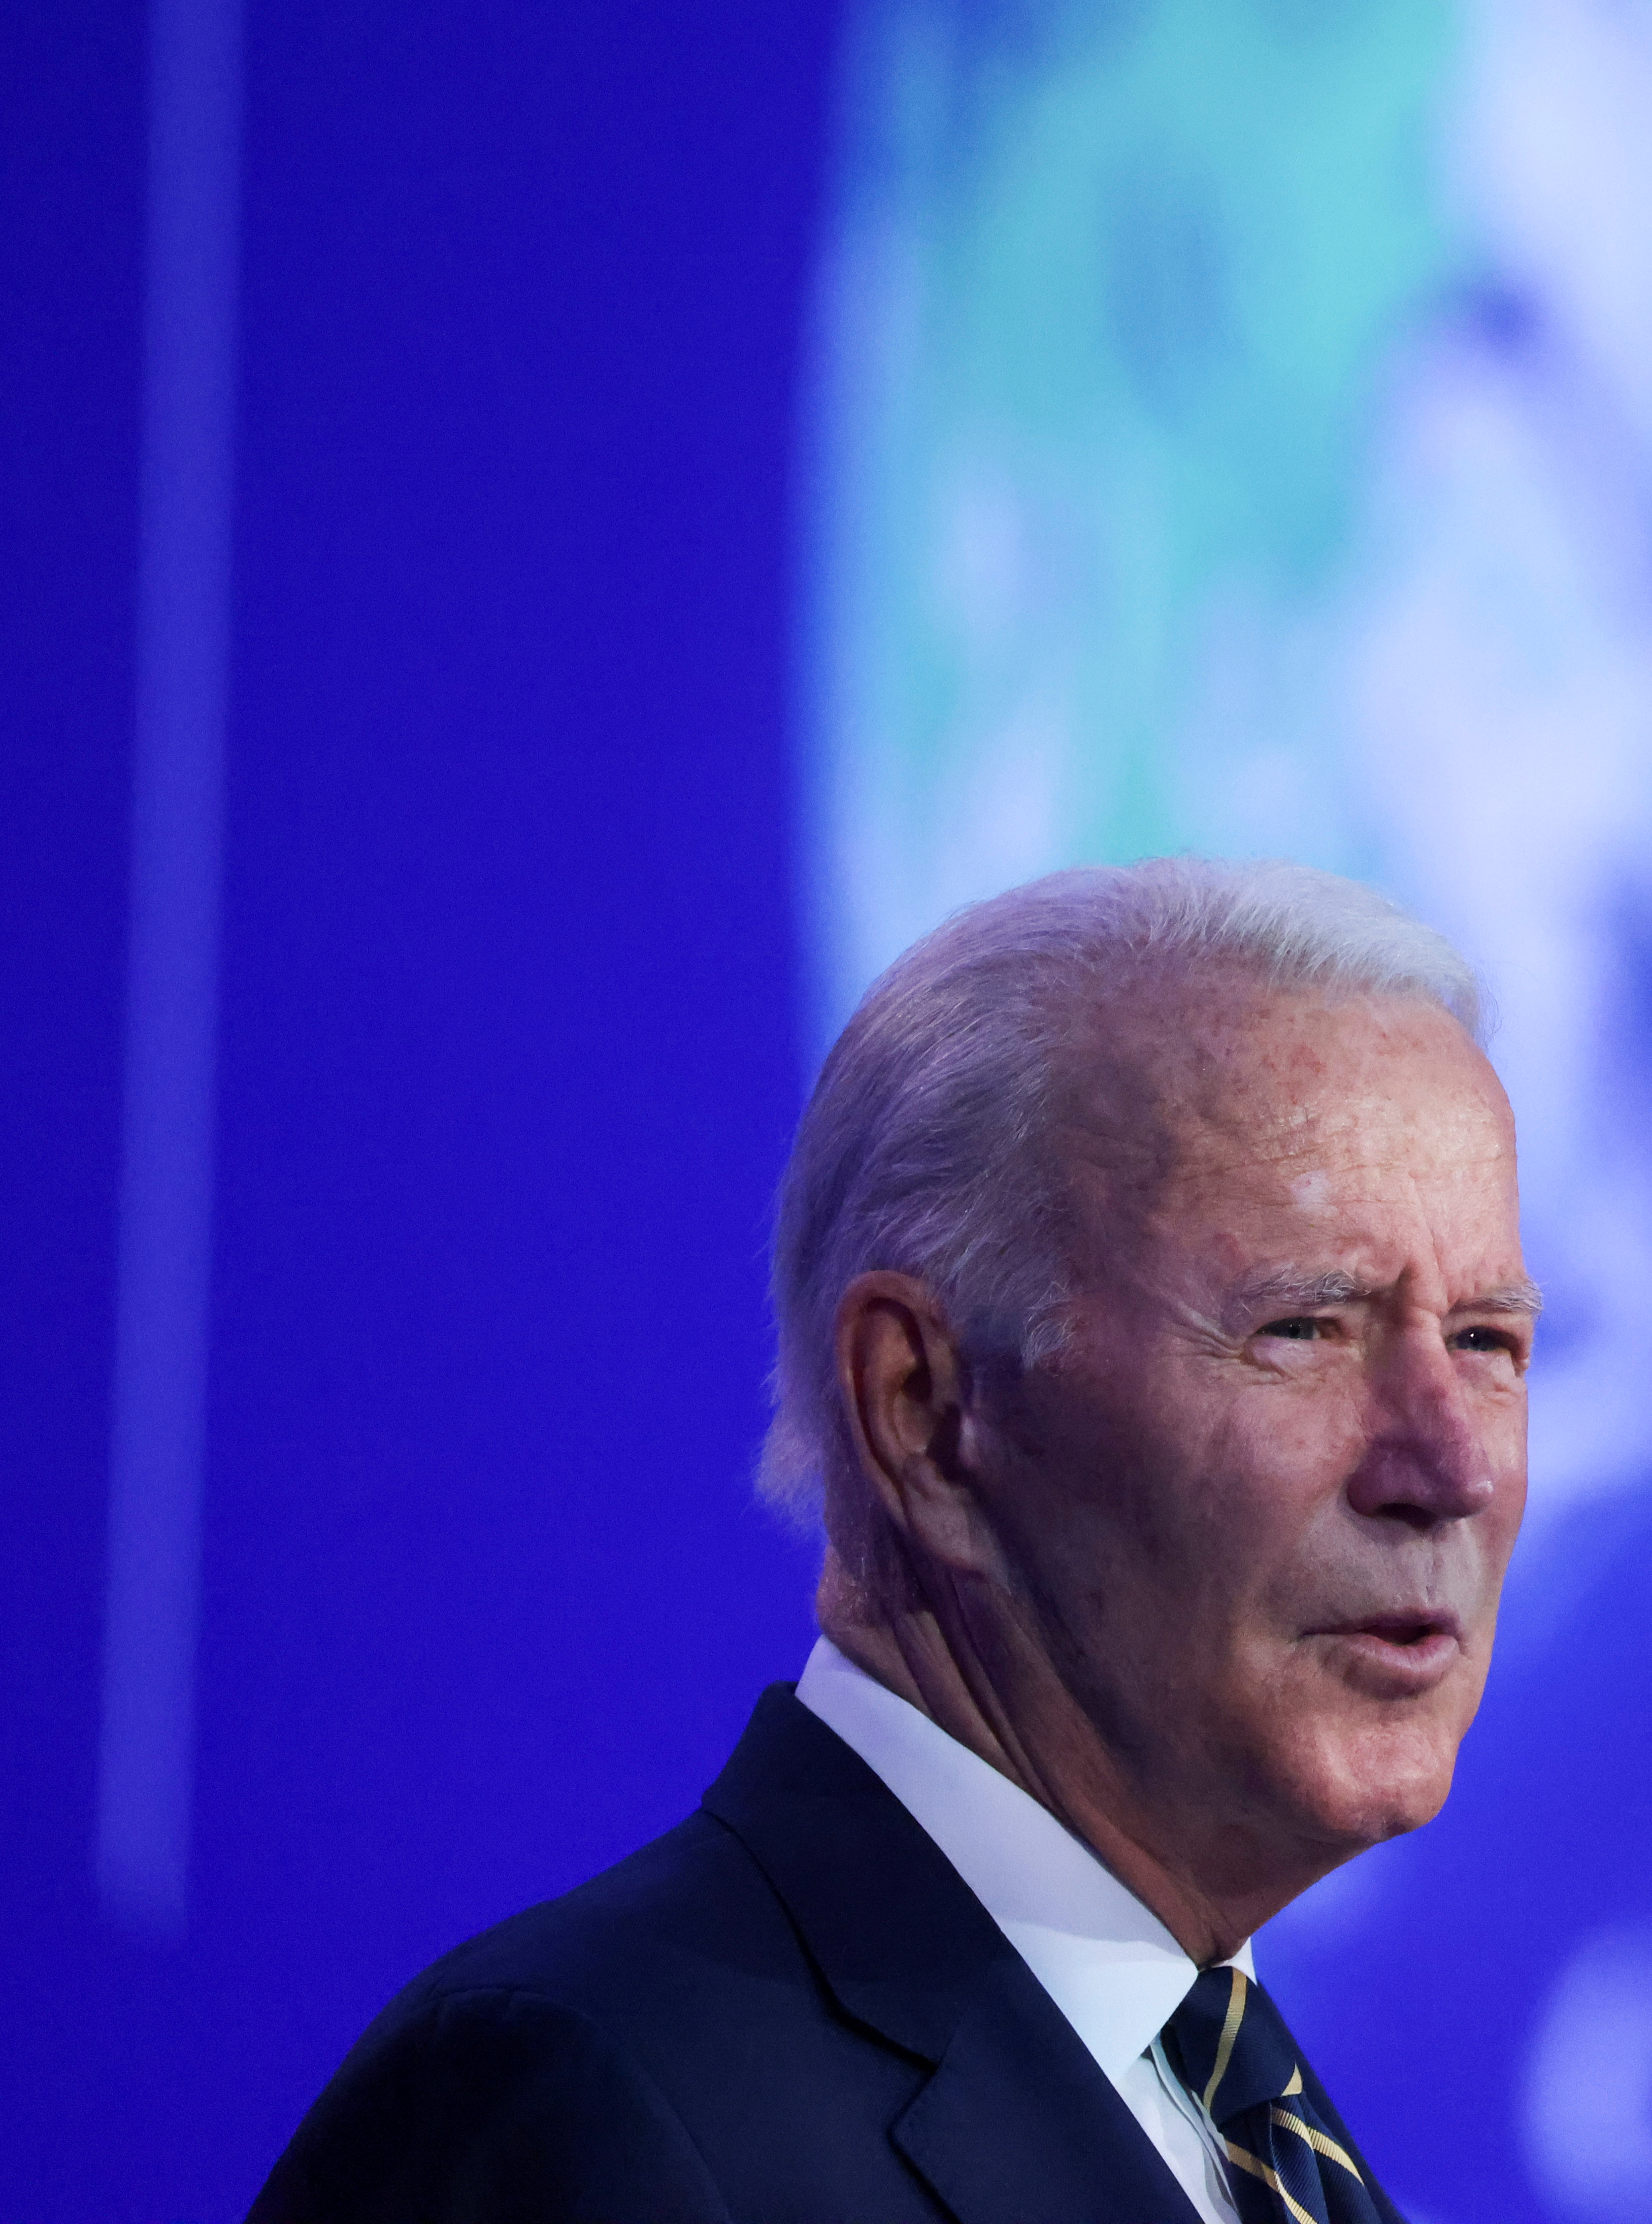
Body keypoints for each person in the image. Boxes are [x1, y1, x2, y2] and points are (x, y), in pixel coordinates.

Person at [251, 856, 1537, 2223]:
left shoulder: (1254, 2138)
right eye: (1303, 1328)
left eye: (1484, 1341)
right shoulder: (584, 2104)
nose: (1449, 1466)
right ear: (923, 1409)